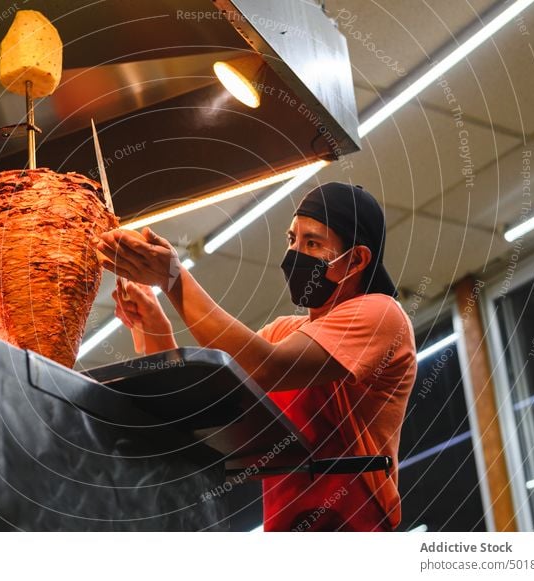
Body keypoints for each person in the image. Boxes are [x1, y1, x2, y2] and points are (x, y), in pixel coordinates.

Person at [96, 181, 417, 531]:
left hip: (353, 525)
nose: (295, 253)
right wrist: (153, 327)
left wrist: (174, 280)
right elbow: (201, 402)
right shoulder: (282, 333)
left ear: (356, 259)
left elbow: (267, 368)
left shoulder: (381, 314)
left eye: (313, 243)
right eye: (292, 239)